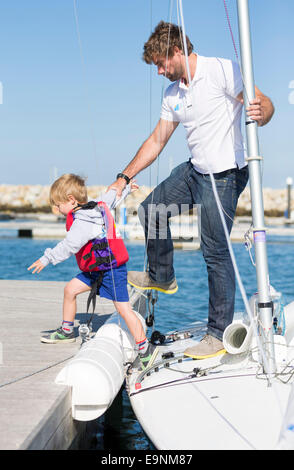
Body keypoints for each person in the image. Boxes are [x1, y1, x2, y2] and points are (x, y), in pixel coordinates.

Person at [108, 21, 275, 359]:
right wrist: (123, 177)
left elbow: (264, 103)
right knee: (151, 210)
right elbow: (156, 140)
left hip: (227, 173)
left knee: (213, 250)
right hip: (195, 170)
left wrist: (264, 112)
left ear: (177, 51)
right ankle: (162, 275)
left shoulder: (221, 70)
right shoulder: (173, 93)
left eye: (161, 63)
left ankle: (217, 333)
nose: (158, 71)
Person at [27, 173, 158, 370]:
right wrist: (127, 190)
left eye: (58, 204)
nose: (57, 209)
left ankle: (145, 349)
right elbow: (112, 197)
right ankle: (67, 331)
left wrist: (47, 259)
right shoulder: (97, 205)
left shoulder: (82, 223)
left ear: (71, 200)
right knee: (70, 290)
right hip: (95, 270)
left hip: (112, 271)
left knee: (124, 310)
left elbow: (69, 246)